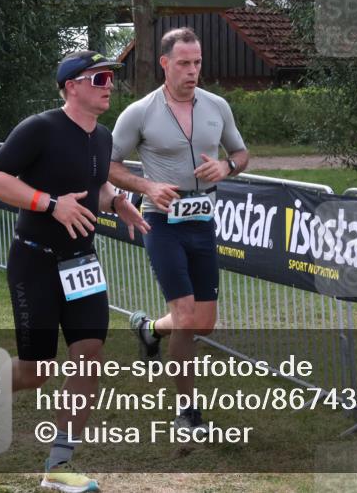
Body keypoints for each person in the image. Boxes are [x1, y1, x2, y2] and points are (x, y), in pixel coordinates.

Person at [0, 51, 149, 492]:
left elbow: (96, 184)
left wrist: (117, 203)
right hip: (34, 260)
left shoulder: (103, 137)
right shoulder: (40, 128)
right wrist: (51, 205)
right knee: (37, 371)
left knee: (89, 354)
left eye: (111, 77)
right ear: (71, 85)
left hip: (81, 263)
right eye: (99, 78)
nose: (109, 84)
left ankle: (59, 464)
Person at [108, 27, 249, 434]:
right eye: (184, 63)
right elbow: (109, 164)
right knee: (186, 318)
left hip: (203, 220)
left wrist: (227, 167)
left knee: (203, 323)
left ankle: (149, 329)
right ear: (165, 64)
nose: (193, 71)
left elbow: (240, 152)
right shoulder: (140, 112)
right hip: (161, 221)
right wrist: (148, 186)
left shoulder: (217, 106)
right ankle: (187, 411)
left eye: (198, 62)